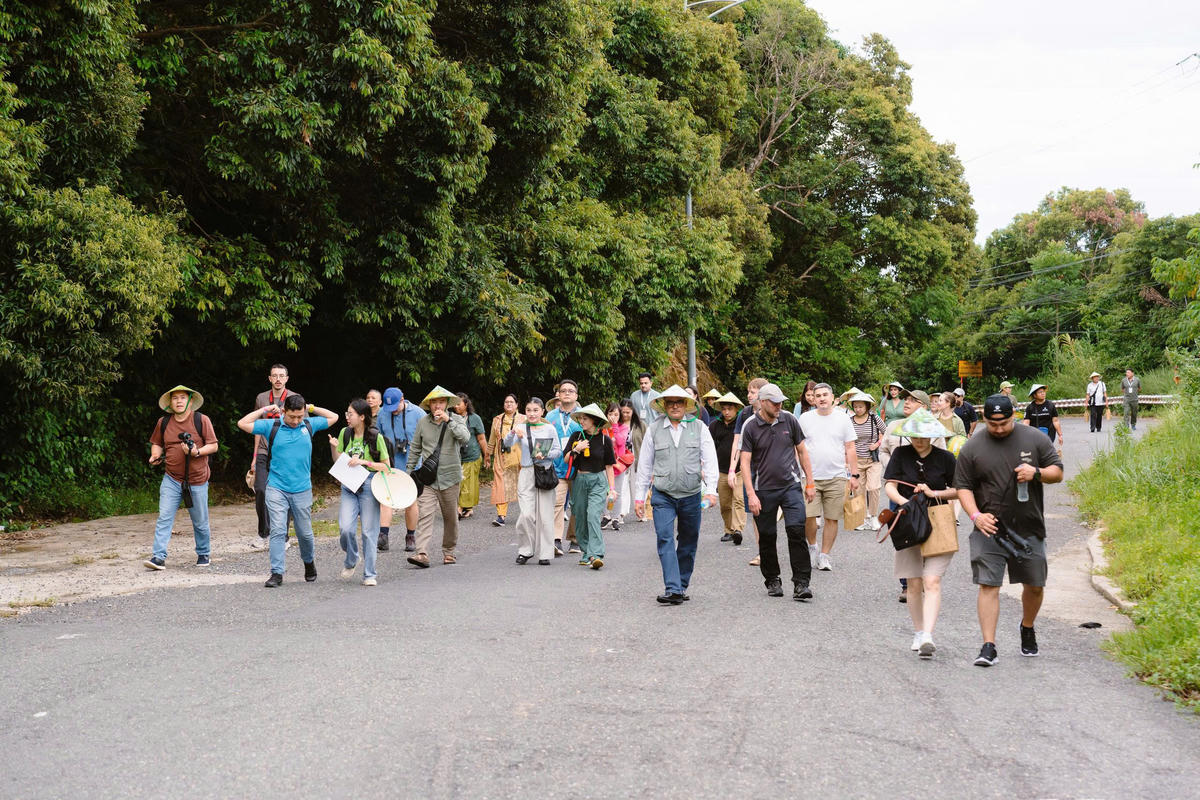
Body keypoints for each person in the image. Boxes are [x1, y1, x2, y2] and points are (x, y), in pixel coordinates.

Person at [955, 394, 1064, 667]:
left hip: (1028, 526)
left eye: (1004, 422)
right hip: (989, 527)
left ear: (1013, 416)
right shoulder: (972, 447)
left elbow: (1058, 472)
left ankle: (1027, 626)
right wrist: (975, 516)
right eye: (993, 424)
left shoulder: (1035, 439)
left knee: (1035, 585)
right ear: (984, 420)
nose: (999, 428)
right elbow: (963, 487)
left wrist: (1036, 472)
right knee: (988, 585)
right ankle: (988, 645)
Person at [239, 394, 338, 587]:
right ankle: (277, 573)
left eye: (299, 416)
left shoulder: (308, 424)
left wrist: (310, 408)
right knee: (277, 529)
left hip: (302, 489)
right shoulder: (272, 426)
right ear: (284, 411)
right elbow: (242, 423)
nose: (296, 421)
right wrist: (264, 410)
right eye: (292, 416)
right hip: (277, 487)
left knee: (305, 533)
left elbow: (333, 416)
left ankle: (309, 563)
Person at [633, 385, 719, 605]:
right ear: (663, 406)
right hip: (663, 494)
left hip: (691, 494)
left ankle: (680, 584)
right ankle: (673, 588)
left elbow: (710, 460)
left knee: (689, 541)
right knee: (665, 537)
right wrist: (639, 497)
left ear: (686, 405)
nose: (674, 406)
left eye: (678, 402)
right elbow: (644, 465)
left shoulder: (699, 427)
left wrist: (711, 491)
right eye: (669, 402)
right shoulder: (654, 429)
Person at [883, 409, 959, 658]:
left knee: (932, 580)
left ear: (933, 436)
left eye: (924, 436)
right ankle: (918, 632)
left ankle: (928, 634)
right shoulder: (900, 454)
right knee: (914, 582)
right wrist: (906, 503)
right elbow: (890, 486)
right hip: (908, 520)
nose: (919, 440)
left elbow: (960, 490)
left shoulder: (946, 458)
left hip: (938, 519)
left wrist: (933, 493)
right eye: (915, 435)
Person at [740, 383, 817, 600]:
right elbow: (745, 462)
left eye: (781, 401)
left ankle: (802, 583)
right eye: (774, 402)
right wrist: (750, 494)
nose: (779, 405)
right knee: (767, 535)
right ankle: (772, 579)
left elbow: (802, 451)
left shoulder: (789, 420)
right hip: (763, 489)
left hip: (790, 486)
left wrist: (809, 482)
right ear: (762, 402)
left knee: (796, 530)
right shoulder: (750, 426)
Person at [144, 385, 219, 571]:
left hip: (197, 479)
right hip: (171, 478)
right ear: (170, 402)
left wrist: (197, 452)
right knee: (164, 517)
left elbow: (214, 445)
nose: (179, 401)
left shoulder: (201, 420)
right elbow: (157, 443)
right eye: (175, 398)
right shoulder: (164, 422)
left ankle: (203, 553)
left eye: (183, 398)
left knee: (200, 521)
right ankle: (158, 557)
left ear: (190, 401)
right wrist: (155, 455)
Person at [327, 398, 392, 586]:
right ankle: (352, 559)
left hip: (369, 485)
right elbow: (338, 460)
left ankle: (370, 574)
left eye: (351, 414)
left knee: (369, 532)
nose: (347, 417)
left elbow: (386, 467)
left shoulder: (375, 437)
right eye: (347, 413)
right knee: (345, 528)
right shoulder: (344, 433)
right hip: (348, 485)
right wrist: (334, 448)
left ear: (362, 417)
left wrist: (365, 462)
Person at [405, 386, 470, 568]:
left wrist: (449, 420)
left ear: (447, 404)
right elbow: (415, 448)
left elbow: (465, 438)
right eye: (434, 402)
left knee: (450, 518)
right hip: (428, 478)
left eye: (441, 402)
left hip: (450, 477)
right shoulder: (423, 423)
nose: (437, 406)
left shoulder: (456, 419)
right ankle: (421, 553)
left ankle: (448, 551)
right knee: (425, 515)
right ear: (429, 405)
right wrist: (409, 472)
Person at [798, 383, 859, 571]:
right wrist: (799, 472)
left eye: (825, 394)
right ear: (813, 399)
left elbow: (850, 447)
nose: (822, 398)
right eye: (818, 395)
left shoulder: (843, 419)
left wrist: (854, 475)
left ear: (832, 397)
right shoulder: (805, 418)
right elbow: (798, 447)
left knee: (832, 518)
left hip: (837, 476)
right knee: (809, 516)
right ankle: (812, 547)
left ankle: (824, 556)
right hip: (810, 477)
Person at [505, 397, 561, 565]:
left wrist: (545, 454)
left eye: (536, 410)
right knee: (526, 514)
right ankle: (526, 549)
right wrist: (513, 432)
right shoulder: (521, 427)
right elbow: (506, 444)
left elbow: (558, 451)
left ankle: (545, 553)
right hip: (527, 472)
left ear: (542, 411)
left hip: (544, 471)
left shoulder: (549, 428)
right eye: (529, 410)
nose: (532, 414)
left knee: (545, 515)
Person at [249, 364, 300, 543]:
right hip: (264, 450)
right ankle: (264, 533)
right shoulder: (262, 398)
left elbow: (301, 425)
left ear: (287, 378)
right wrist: (254, 457)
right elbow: (256, 428)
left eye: (281, 376)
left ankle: (283, 537)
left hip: (285, 454)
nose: (278, 379)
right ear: (269, 378)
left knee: (283, 493)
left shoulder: (294, 398)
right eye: (274, 376)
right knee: (261, 490)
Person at [565, 403, 618, 569]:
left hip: (598, 481)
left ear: (594, 421)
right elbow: (566, 459)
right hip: (579, 480)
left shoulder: (605, 440)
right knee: (579, 517)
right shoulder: (576, 436)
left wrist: (612, 488)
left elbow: (609, 466)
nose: (581, 421)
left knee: (593, 515)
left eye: (585, 418)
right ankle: (586, 551)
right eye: (580, 418)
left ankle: (596, 554)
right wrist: (577, 449)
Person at [376, 386, 426, 551]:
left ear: (403, 399)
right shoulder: (383, 413)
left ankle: (410, 536)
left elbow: (428, 437)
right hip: (389, 465)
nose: (393, 411)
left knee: (411, 502)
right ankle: (383, 535)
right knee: (386, 500)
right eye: (389, 408)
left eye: (395, 407)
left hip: (413, 466)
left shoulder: (418, 413)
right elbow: (378, 437)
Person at [729, 377, 768, 565]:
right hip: (750, 469)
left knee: (770, 512)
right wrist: (731, 469)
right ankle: (762, 552)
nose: (748, 395)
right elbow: (737, 443)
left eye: (752, 392)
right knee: (756, 512)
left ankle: (769, 548)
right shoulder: (744, 414)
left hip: (771, 469)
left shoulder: (774, 411)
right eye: (749, 391)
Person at [545, 379, 583, 555]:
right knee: (557, 504)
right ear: (558, 395)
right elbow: (543, 440)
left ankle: (575, 539)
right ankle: (556, 540)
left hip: (579, 468)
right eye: (563, 391)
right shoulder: (550, 417)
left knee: (577, 505)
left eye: (571, 391)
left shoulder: (584, 415)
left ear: (576, 395)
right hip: (556, 467)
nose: (567, 393)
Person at [709, 392, 746, 545]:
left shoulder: (742, 425)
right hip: (721, 470)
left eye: (730, 409)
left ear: (736, 409)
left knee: (738, 499)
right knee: (725, 503)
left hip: (739, 470)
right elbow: (709, 447)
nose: (726, 412)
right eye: (723, 409)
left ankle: (738, 529)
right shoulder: (714, 426)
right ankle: (728, 529)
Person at [847, 391, 885, 532]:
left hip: (873, 459)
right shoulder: (849, 421)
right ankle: (861, 518)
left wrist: (877, 444)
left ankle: (873, 516)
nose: (858, 409)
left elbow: (885, 433)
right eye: (855, 406)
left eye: (861, 406)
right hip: (857, 460)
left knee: (874, 487)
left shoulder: (874, 419)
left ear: (867, 407)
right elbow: (846, 440)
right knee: (859, 490)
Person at [487, 393, 525, 527]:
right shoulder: (497, 419)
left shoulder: (524, 419)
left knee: (523, 485)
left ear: (517, 405)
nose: (508, 404)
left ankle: (527, 514)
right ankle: (501, 516)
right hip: (501, 457)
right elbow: (492, 438)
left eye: (511, 402)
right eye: (506, 402)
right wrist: (488, 455)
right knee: (500, 485)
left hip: (520, 457)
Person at [454, 393, 488, 520]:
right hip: (457, 456)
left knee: (467, 483)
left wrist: (486, 456)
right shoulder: (451, 418)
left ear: (466, 404)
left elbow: (481, 438)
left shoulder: (475, 418)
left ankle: (460, 508)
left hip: (472, 455)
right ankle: (468, 508)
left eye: (459, 404)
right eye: (455, 404)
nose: (456, 406)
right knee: (461, 483)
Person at [602, 402, 631, 531]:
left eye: (616, 414)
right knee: (605, 491)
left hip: (618, 464)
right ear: (606, 414)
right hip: (604, 464)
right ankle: (606, 515)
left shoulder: (623, 427)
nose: (613, 416)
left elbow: (620, 441)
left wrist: (614, 426)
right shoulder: (601, 428)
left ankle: (615, 517)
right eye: (610, 413)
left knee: (616, 491)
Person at [618, 400, 645, 521]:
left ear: (633, 411)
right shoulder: (616, 425)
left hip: (636, 459)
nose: (625, 415)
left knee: (637, 487)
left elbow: (647, 442)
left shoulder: (641, 425)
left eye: (628, 412)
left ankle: (640, 512)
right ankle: (620, 514)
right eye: (622, 412)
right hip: (621, 460)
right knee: (622, 487)